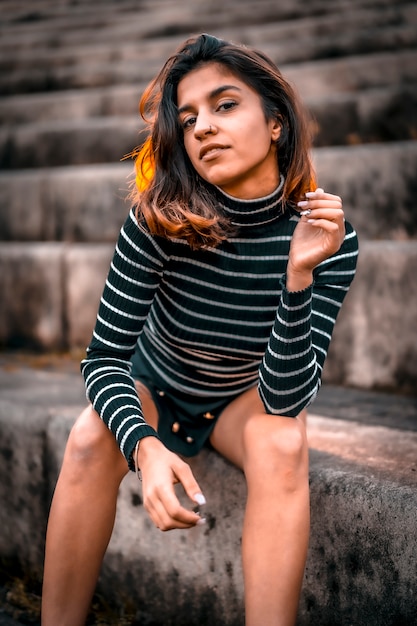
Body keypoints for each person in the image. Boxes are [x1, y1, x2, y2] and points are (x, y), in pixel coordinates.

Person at [41, 33, 358, 626]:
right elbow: (103, 359)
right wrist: (144, 445)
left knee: (284, 442)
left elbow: (287, 400)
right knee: (88, 438)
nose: (203, 127)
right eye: (187, 119)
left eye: (225, 104)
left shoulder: (327, 238)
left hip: (245, 398)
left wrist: (297, 276)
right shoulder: (158, 218)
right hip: (157, 386)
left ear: (276, 124)